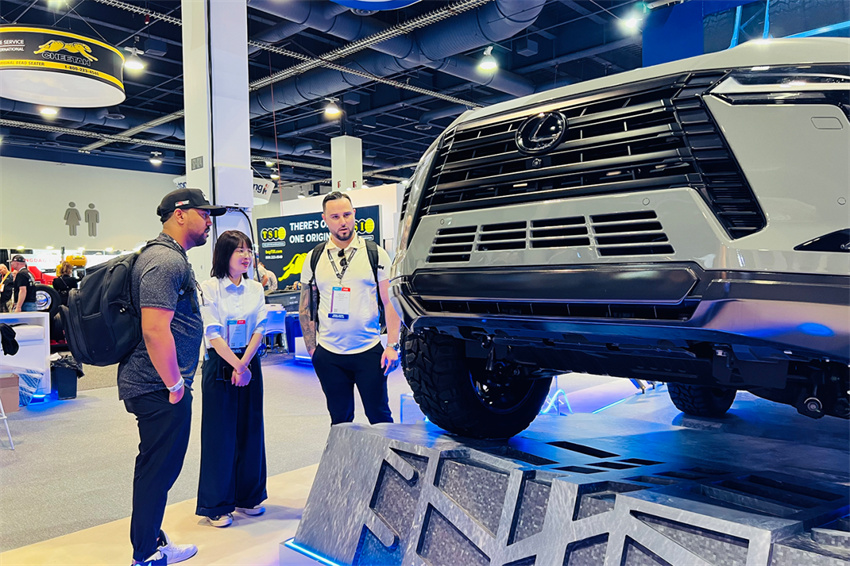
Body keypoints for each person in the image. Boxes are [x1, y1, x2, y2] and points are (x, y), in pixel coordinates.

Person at [117, 188, 225, 566]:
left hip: (157, 384)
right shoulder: (165, 261)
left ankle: (151, 540)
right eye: (203, 213)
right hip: (158, 386)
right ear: (180, 215)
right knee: (157, 470)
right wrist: (175, 385)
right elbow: (154, 329)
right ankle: (146, 554)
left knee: (158, 468)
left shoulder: (169, 256)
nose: (209, 221)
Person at [298, 191, 401, 425]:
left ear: (354, 214)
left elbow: (390, 302)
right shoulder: (314, 257)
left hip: (369, 350)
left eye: (346, 214)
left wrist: (392, 345)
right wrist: (313, 350)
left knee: (380, 417)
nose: (342, 221)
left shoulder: (375, 253)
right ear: (325, 219)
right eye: (335, 217)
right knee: (340, 420)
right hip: (329, 354)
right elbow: (306, 306)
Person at [196, 230, 269, 528]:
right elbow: (212, 332)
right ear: (224, 255)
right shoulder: (209, 288)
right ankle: (217, 505)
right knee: (220, 435)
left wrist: (245, 364)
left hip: (250, 362)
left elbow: (260, 327)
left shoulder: (255, 288)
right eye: (239, 250)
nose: (245, 255)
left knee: (251, 430)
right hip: (220, 362)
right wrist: (237, 366)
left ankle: (249, 496)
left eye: (248, 250)